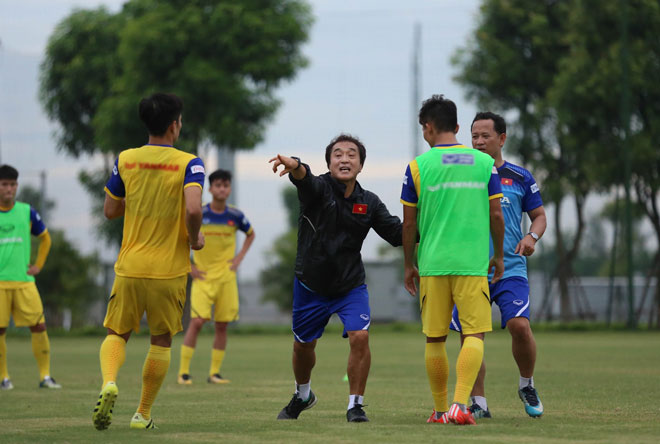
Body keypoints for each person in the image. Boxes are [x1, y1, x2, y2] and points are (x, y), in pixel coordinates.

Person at [269, 134, 402, 422]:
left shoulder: (369, 202)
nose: (345, 159)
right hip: (310, 285)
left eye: (351, 154)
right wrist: (295, 165)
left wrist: (434, 224)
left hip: (349, 286)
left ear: (361, 165)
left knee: (360, 335)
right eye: (338, 155)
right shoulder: (317, 190)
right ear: (329, 163)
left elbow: (397, 234)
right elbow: (305, 179)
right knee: (303, 347)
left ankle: (355, 405)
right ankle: (303, 394)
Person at [92, 93, 205, 431]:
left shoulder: (126, 158)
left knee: (117, 333)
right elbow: (194, 209)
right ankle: (142, 414)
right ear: (174, 125)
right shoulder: (190, 163)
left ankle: (109, 382)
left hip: (129, 266)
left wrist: (140, 200)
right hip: (168, 271)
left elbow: (110, 210)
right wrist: (195, 236)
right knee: (160, 341)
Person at [401, 95, 505, 425]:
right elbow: (496, 215)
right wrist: (499, 255)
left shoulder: (417, 167)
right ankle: (462, 404)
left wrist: (409, 264)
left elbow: (408, 223)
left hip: (432, 264)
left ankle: (441, 409)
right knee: (473, 334)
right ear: (458, 127)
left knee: (435, 337)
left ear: (427, 128)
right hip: (472, 264)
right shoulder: (485, 164)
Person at [450, 112, 547, 419]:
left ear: (502, 139)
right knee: (471, 336)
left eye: (485, 136)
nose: (478, 141)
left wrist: (532, 236)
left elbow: (540, 216)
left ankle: (526, 384)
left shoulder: (520, 177)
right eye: (474, 136)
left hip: (511, 268)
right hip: (470, 269)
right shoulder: (462, 176)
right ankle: (479, 403)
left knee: (519, 325)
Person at [178, 169, 255, 385]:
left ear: (229, 189)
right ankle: (183, 372)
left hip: (226, 278)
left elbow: (251, 235)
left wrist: (238, 259)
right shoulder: (198, 213)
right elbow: (181, 237)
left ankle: (215, 373)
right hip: (203, 277)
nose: (222, 189)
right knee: (197, 322)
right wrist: (189, 265)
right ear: (210, 189)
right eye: (218, 185)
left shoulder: (235, 216)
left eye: (226, 185)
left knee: (222, 325)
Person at [0, 164, 61, 391]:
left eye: (12, 184)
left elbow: (46, 239)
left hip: (24, 282)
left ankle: (45, 376)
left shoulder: (27, 212)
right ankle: (3, 378)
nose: (9, 189)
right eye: (4, 184)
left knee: (39, 326)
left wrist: (38, 265)